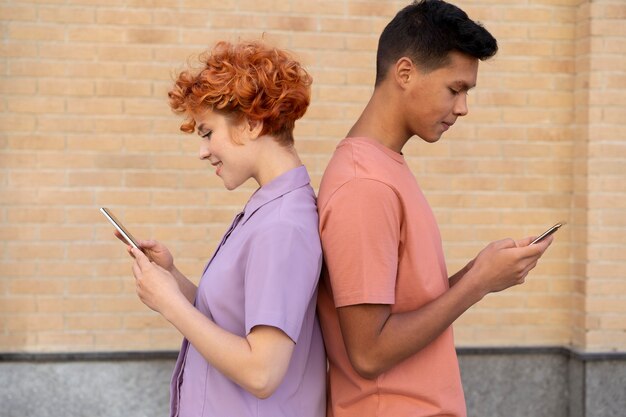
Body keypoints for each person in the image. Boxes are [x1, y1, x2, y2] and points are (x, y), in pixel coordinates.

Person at [316, 1, 554, 416]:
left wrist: (481, 271)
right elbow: (369, 352)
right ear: (405, 73)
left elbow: (405, 306)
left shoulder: (383, 167)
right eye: (455, 89)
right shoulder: (364, 186)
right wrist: (476, 283)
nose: (462, 108)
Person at [120, 41, 325, 417]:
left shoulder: (282, 226)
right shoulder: (268, 211)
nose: (203, 150)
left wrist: (169, 303)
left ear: (251, 122)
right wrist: (172, 278)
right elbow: (230, 319)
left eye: (207, 132)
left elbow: (262, 371)